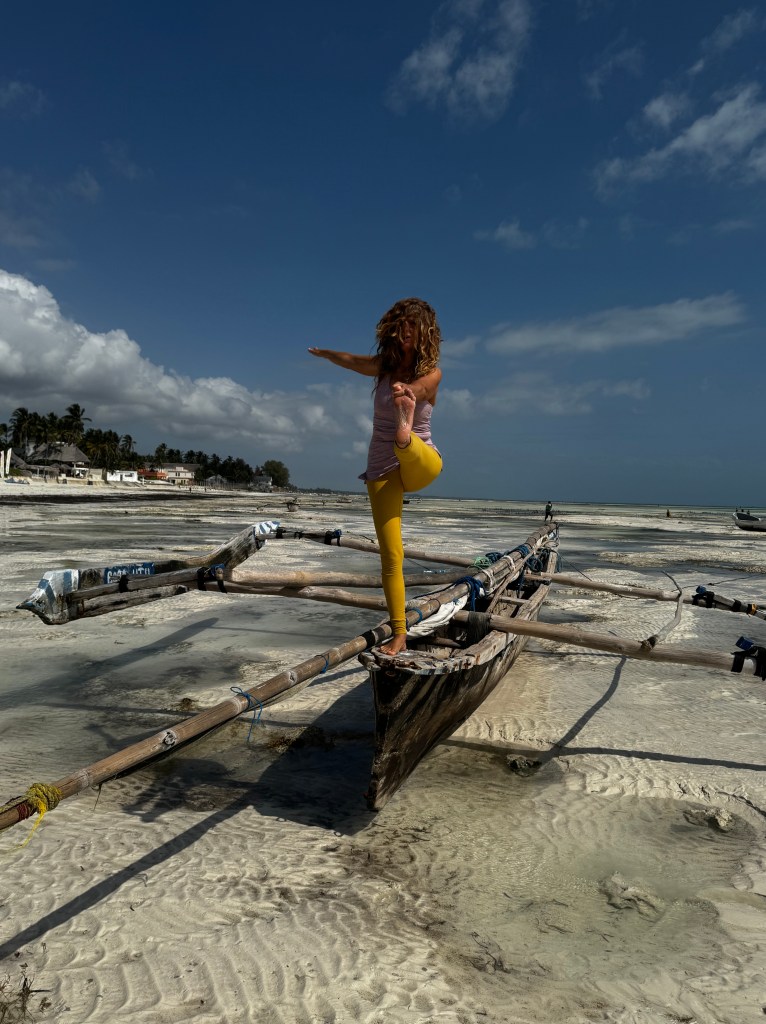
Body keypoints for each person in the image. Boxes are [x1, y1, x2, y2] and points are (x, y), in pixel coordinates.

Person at [309, 297, 443, 655]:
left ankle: (405, 434)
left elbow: (422, 388)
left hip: (421, 461)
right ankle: (399, 633)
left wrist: (408, 392)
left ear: (425, 332)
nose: (405, 333)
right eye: (400, 327)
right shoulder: (384, 367)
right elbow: (352, 361)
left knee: (410, 444)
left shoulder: (432, 372)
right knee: (391, 554)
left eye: (412, 327)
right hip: (381, 466)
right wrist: (326, 354)